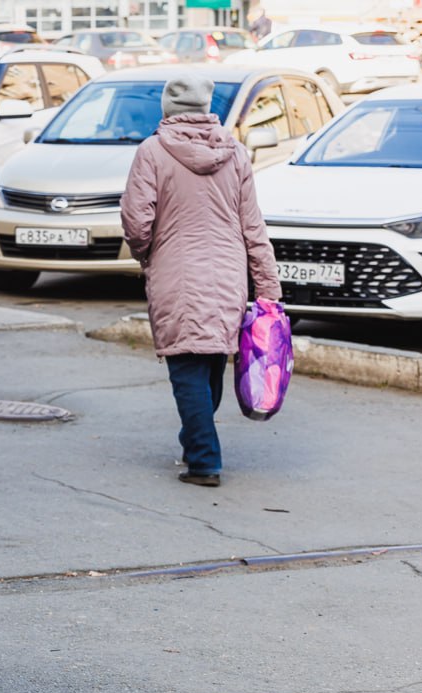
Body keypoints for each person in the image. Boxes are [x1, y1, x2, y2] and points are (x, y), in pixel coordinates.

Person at [119, 75, 282, 488]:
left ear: (168, 108)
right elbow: (253, 228)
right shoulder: (236, 153)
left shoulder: (152, 152)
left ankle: (204, 459)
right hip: (228, 275)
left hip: (176, 274)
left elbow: (137, 222)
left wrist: (146, 255)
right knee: (209, 363)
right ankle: (196, 440)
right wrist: (268, 288)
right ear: (207, 106)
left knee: (187, 366)